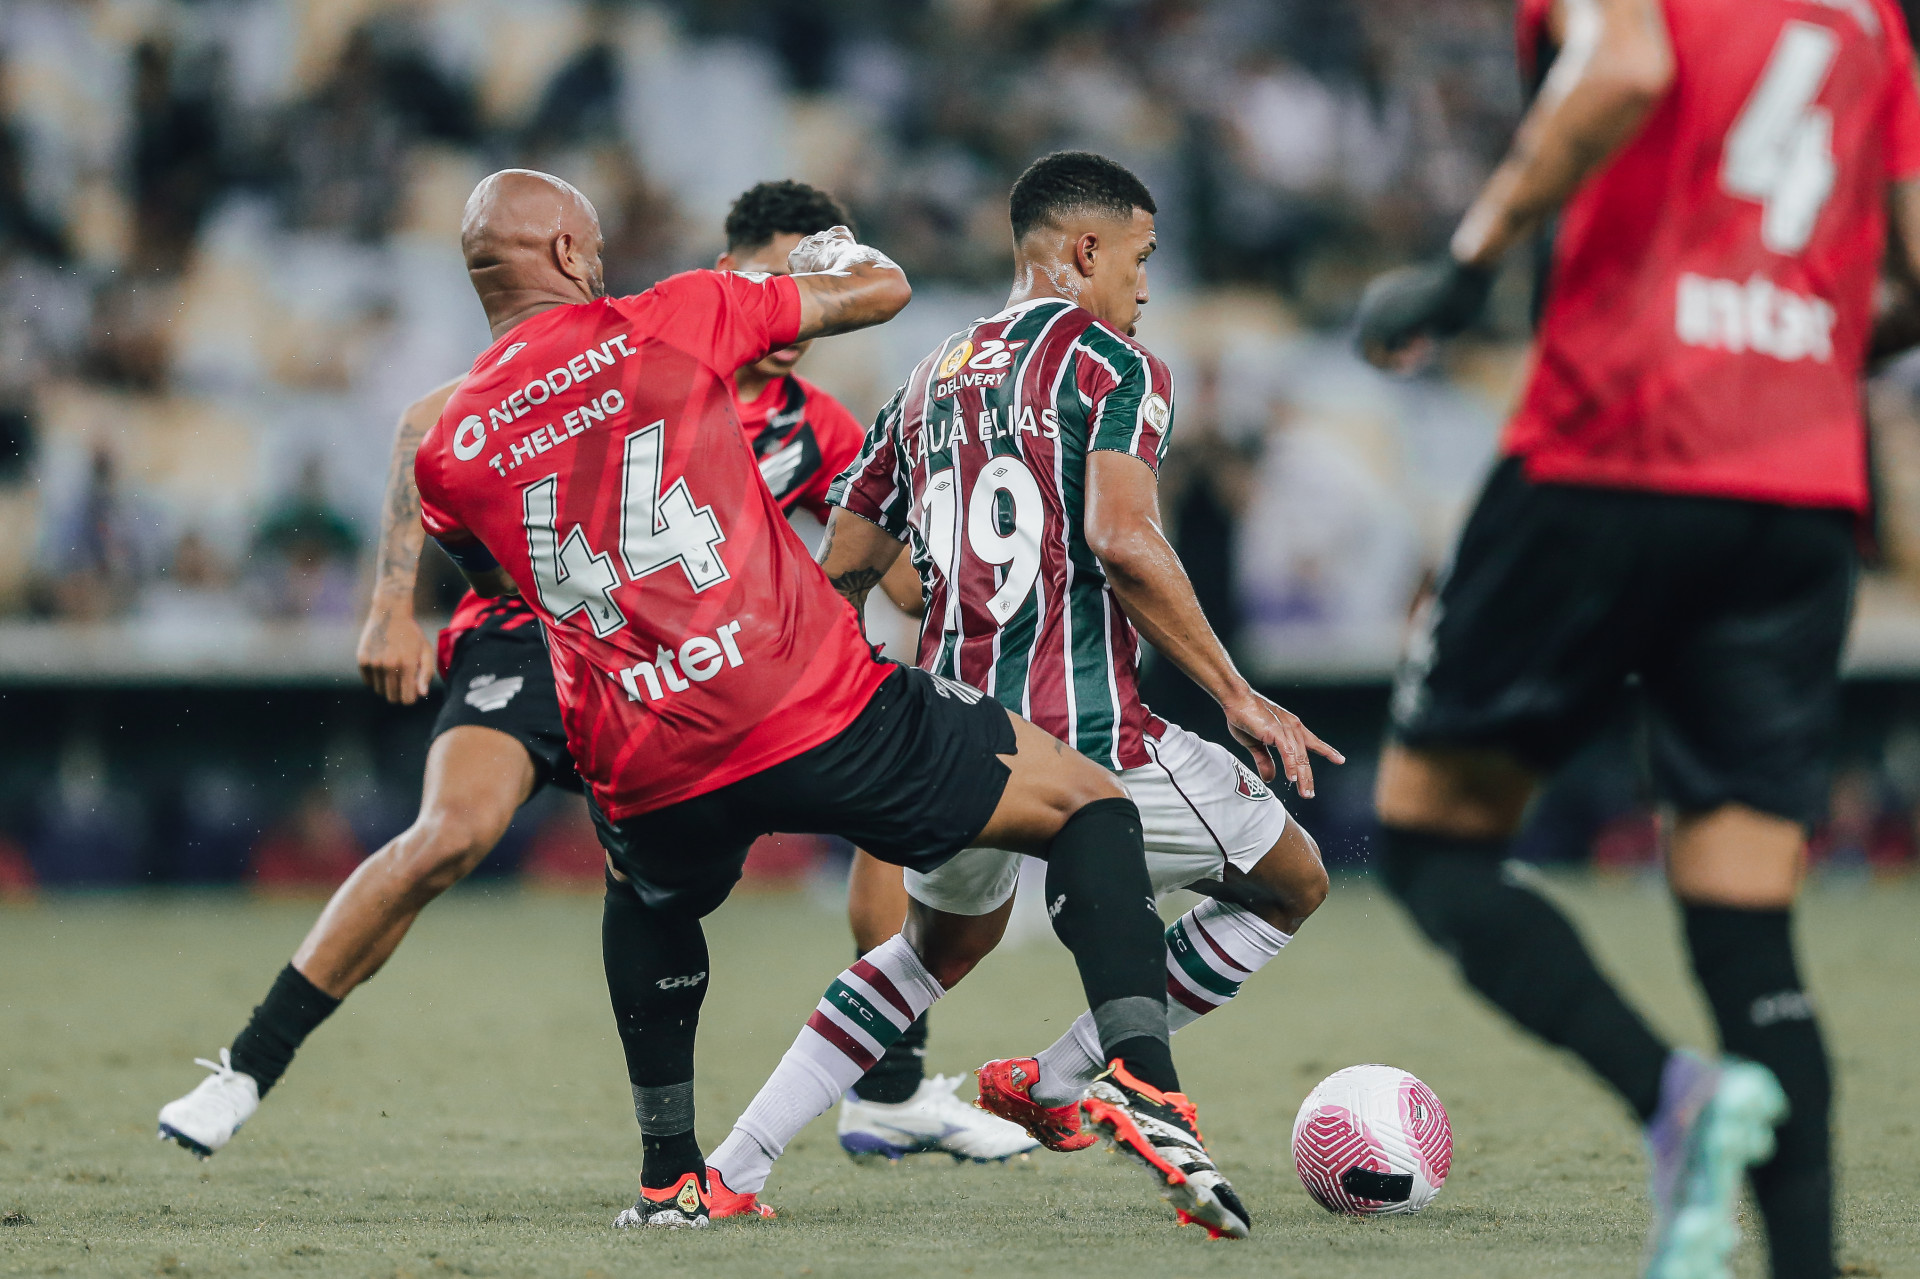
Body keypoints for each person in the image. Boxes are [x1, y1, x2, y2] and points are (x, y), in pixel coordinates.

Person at [410, 170, 1244, 1235]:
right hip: (801, 700)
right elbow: (881, 289)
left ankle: (672, 1176)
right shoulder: (674, 313)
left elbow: (496, 582)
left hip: (648, 746)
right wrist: (811, 252)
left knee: (649, 900)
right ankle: (1130, 1072)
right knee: (1088, 805)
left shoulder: (449, 446)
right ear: (573, 257)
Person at [153, 178, 1026, 1167]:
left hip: (699, 664)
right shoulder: (649, 334)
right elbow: (433, 422)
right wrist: (392, 603)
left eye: (804, 280)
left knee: (878, 815)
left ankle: (890, 1089)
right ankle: (246, 1067)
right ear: (736, 271)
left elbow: (890, 575)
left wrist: (956, 571)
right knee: (453, 831)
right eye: (779, 276)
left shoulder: (812, 423)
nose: (794, 309)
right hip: (541, 630)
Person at [1352, 0, 1920, 1274]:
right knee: (1746, 921)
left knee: (1435, 838)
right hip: (1797, 499)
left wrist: (1469, 257)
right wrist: (1806, 348)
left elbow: (1625, 65)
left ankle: (1673, 1096)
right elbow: (1912, 273)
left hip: (1613, 446)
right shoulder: (1873, 19)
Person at [815, 150, 1340, 1159]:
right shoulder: (1113, 365)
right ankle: (1059, 1075)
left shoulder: (928, 377)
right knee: (1294, 882)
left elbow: (843, 567)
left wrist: (841, 709)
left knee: (929, 953)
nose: (1146, 285)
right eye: (1140, 260)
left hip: (952, 741)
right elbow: (1124, 539)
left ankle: (736, 1156)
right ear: (1085, 250)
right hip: (1089, 735)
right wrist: (1238, 695)